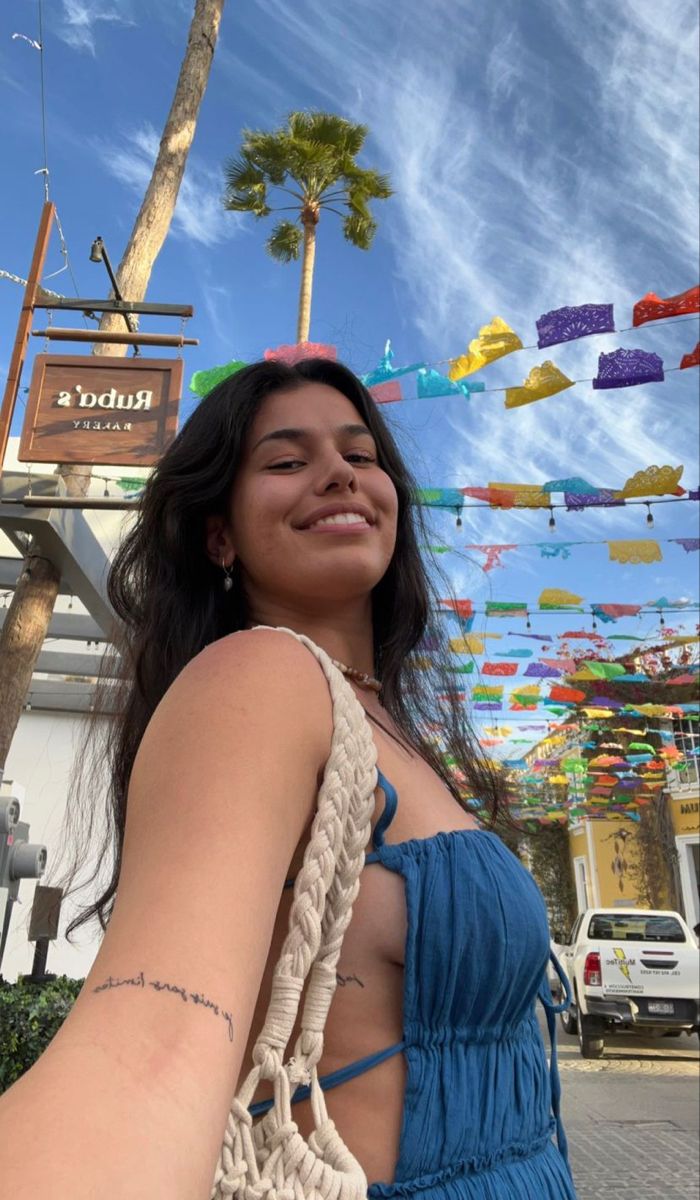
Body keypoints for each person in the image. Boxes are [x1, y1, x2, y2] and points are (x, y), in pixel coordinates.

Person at [0, 358, 577, 1198]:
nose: (338, 472)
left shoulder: (389, 727)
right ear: (219, 534)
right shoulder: (262, 679)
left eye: (359, 454)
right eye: (285, 461)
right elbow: (150, 1049)